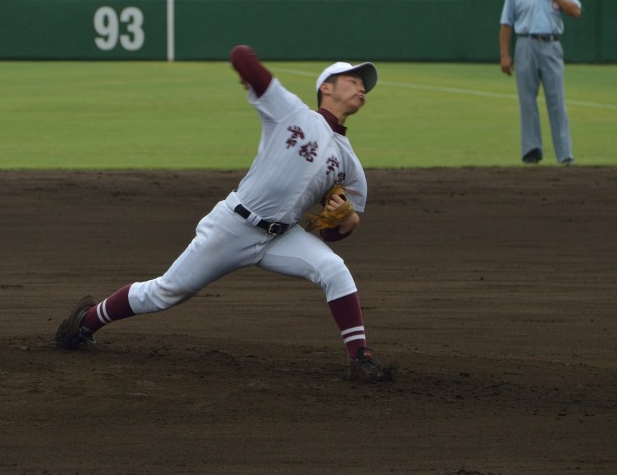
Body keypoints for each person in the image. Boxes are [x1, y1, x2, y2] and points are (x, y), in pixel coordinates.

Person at [55, 44, 390, 383]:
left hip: (282, 237)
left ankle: (360, 357)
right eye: (352, 79)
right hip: (234, 225)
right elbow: (241, 56)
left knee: (334, 269)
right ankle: (87, 320)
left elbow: (332, 231)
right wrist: (256, 80)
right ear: (326, 87)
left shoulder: (349, 164)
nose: (361, 87)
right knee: (164, 292)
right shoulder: (291, 112)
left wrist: (348, 220)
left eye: (364, 84)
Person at [499, 0, 582, 166]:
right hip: (525, 44)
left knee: (557, 100)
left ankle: (565, 154)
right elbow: (506, 23)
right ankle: (531, 150)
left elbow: (575, 11)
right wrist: (505, 55)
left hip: (551, 44)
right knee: (527, 101)